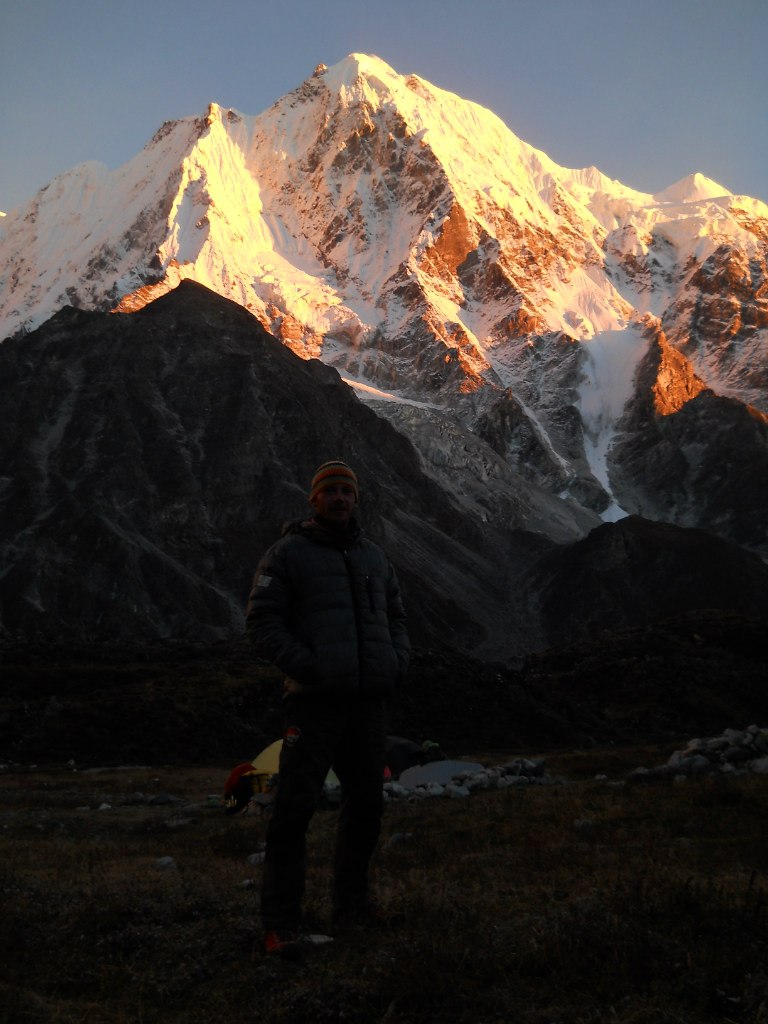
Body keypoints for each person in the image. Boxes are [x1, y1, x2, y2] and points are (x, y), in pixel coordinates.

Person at [245, 459, 410, 958]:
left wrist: (396, 662)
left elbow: (398, 616)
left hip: (366, 704)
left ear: (356, 500)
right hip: (315, 703)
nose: (340, 498)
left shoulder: (375, 559)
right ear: (313, 499)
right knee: (294, 808)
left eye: (347, 491)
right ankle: (281, 923)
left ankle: (352, 908)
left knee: (367, 807)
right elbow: (262, 619)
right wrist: (308, 666)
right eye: (330, 491)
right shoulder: (287, 554)